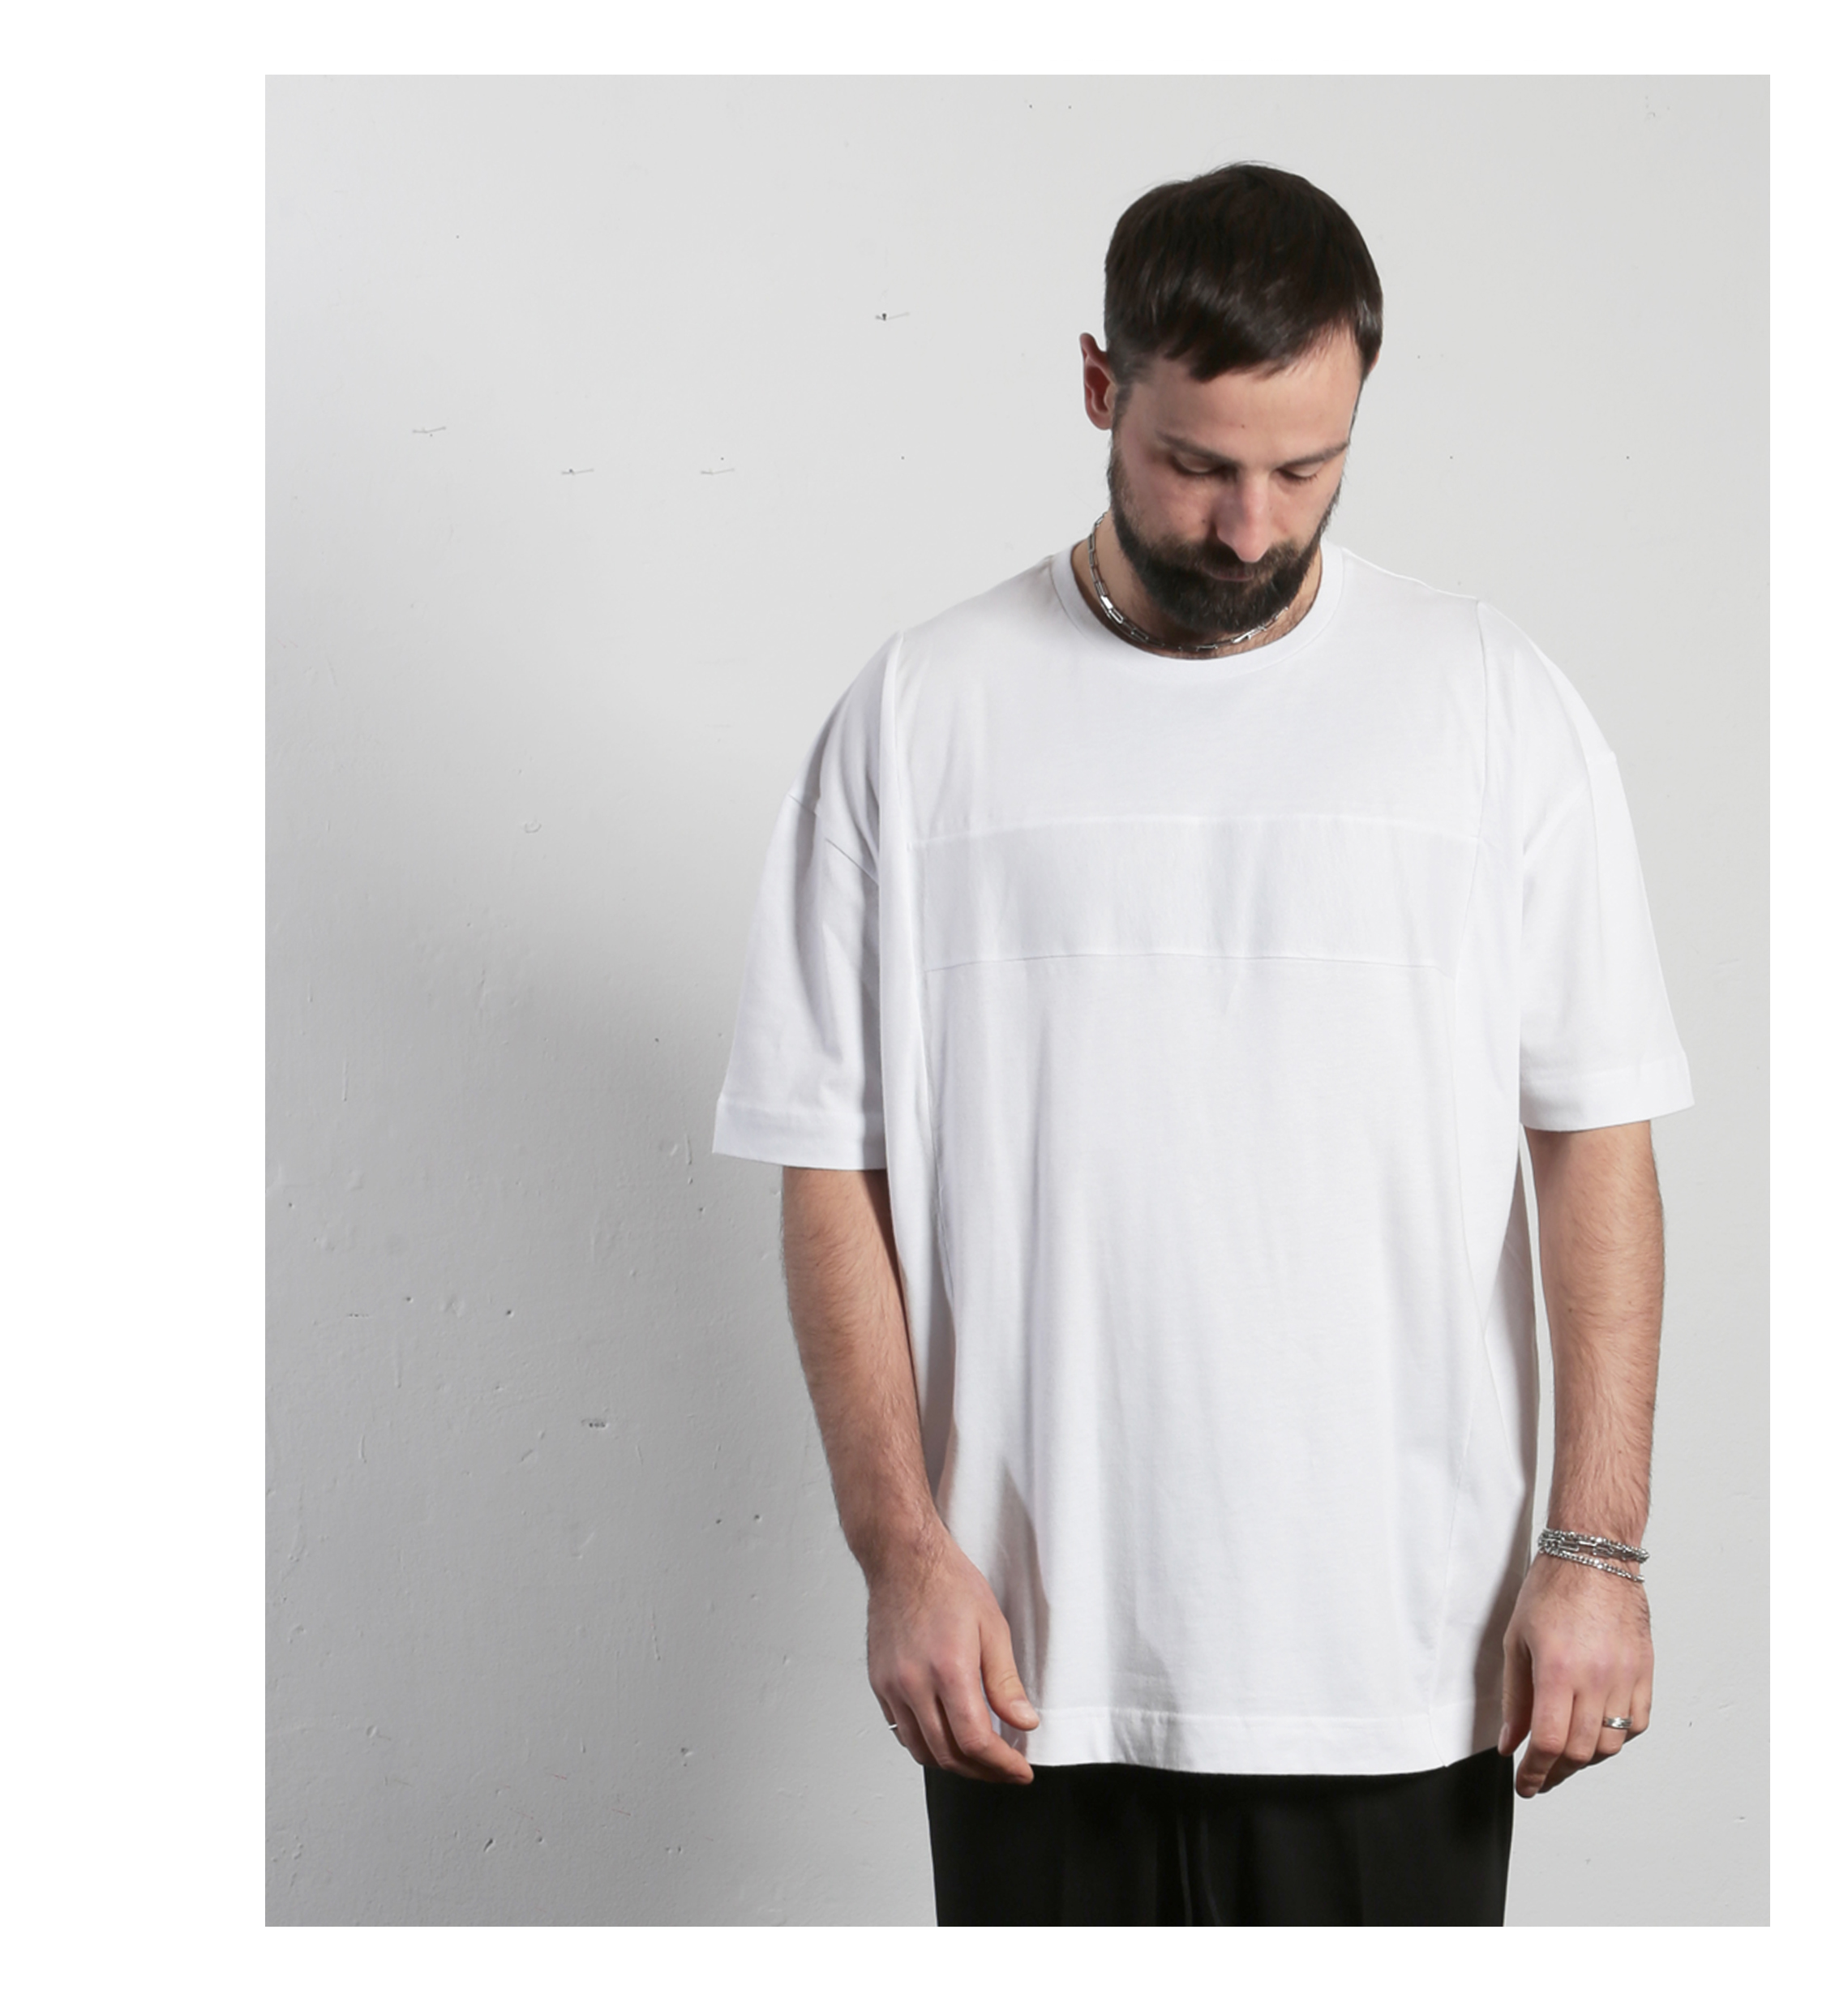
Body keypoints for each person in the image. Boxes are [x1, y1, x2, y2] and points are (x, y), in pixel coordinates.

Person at [711, 163, 1691, 1927]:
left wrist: (1596, 1550)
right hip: (1028, 1674)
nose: (1249, 527)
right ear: (1101, 388)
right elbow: (827, 1165)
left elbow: (1595, 1141)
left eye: (1305, 471)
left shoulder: (1491, 704)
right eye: (1197, 465)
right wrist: (900, 1554)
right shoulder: (918, 718)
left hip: (1404, 1666)